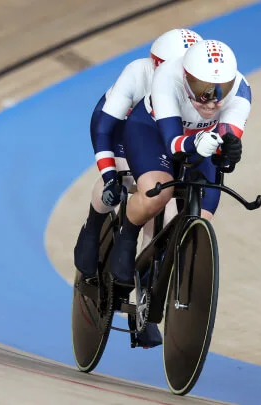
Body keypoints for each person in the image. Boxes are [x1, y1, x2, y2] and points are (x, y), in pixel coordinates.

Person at [107, 39, 251, 346]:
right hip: (153, 133)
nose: (212, 101)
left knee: (204, 218)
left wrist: (229, 151)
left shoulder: (241, 92)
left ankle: (156, 285)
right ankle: (126, 235)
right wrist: (196, 144)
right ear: (185, 77)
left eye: (220, 90)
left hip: (201, 142)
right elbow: (173, 143)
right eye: (202, 89)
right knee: (156, 195)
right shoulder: (167, 78)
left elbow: (227, 136)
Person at [74, 28, 203, 279]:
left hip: (162, 132)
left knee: (165, 211)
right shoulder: (137, 73)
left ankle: (148, 285)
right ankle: (92, 228)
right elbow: (104, 129)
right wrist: (109, 174)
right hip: (124, 124)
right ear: (157, 66)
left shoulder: (194, 88)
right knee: (124, 177)